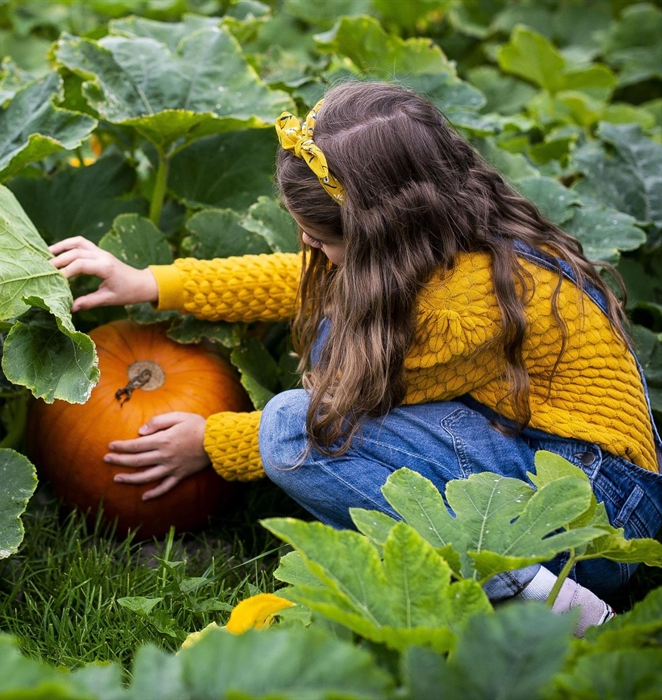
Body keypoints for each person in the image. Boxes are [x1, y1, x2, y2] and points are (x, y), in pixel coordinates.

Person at [50, 80, 662, 636]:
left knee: (292, 424)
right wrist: (153, 282)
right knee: (330, 320)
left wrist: (215, 442)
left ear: (380, 235)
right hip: (567, 463)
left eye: (321, 240)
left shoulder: (459, 315)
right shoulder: (451, 229)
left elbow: (334, 420)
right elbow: (305, 281)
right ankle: (473, 572)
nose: (311, 250)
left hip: (595, 519)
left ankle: (541, 601)